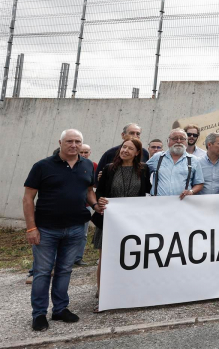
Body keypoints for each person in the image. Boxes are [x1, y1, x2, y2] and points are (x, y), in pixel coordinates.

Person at [23, 129, 104, 331]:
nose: (74, 145)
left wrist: (95, 205)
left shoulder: (87, 165)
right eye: (69, 141)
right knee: (42, 272)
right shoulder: (42, 166)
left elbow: (88, 191)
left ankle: (60, 309)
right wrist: (31, 228)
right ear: (60, 142)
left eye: (77, 141)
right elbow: (28, 198)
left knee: (65, 270)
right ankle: (39, 314)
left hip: (76, 228)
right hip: (46, 229)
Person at [92, 138, 151, 311]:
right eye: (124, 147)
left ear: (137, 153)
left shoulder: (144, 169)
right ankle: (103, 295)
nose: (125, 150)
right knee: (105, 259)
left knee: (130, 258)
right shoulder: (109, 169)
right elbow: (99, 193)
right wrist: (100, 200)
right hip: (109, 221)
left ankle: (127, 294)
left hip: (132, 223)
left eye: (130, 148)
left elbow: (147, 192)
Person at [146, 128, 204, 198]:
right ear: (168, 141)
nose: (178, 141)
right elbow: (142, 172)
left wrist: (191, 191)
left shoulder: (194, 160)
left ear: (186, 142)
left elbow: (199, 183)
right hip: (158, 202)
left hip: (182, 202)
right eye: (175, 138)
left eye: (182, 139)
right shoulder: (157, 157)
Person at [75, 144, 97, 266]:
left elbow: (94, 185)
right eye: (81, 152)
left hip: (87, 205)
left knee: (83, 234)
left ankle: (78, 257)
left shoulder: (93, 165)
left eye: (86, 152)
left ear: (90, 153)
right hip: (72, 205)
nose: (83, 155)